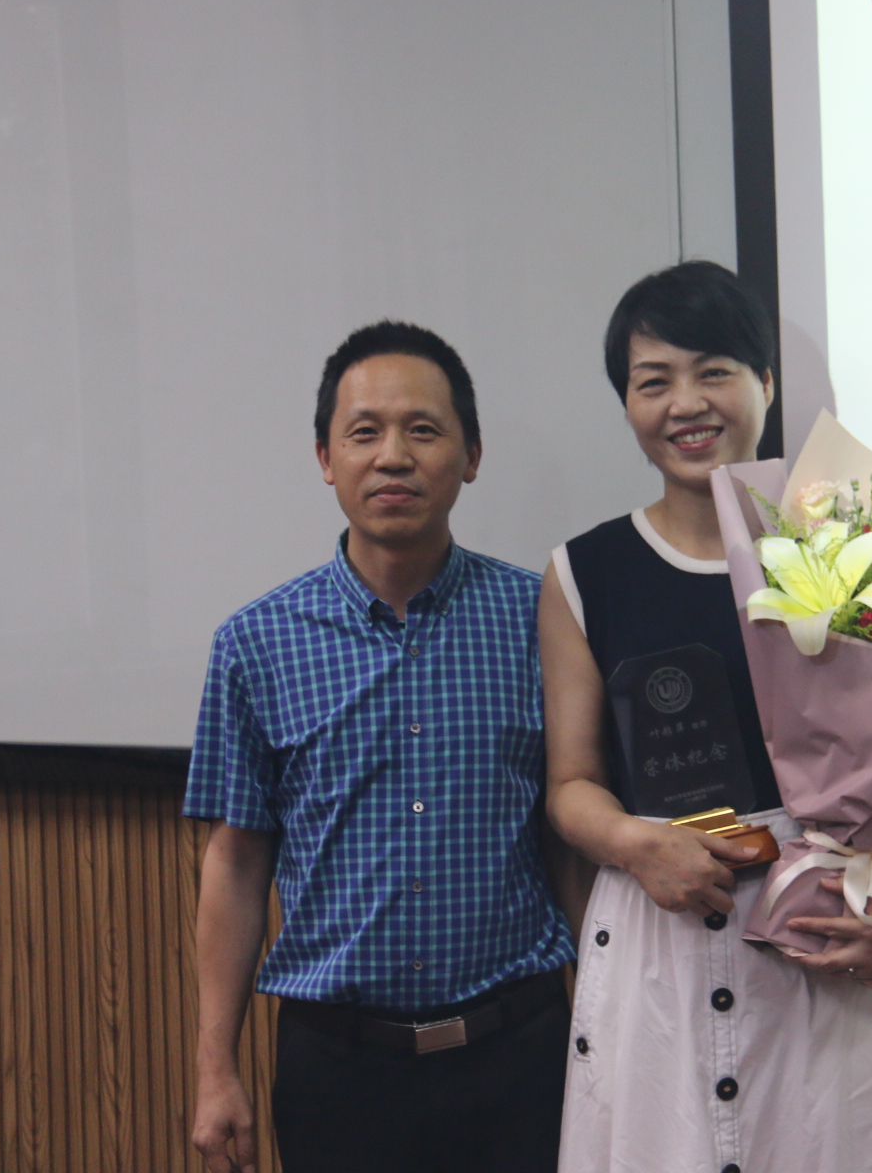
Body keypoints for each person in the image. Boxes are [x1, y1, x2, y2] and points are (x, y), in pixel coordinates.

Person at [542, 261, 872, 1173]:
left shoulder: (850, 550)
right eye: (654, 381)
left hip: (827, 934)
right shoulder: (585, 572)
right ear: (626, 404)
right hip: (662, 940)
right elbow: (570, 784)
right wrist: (635, 843)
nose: (687, 404)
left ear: (766, 383)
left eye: (715, 371)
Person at [186, 321, 575, 1173]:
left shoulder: (541, 619)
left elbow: (571, 835)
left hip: (520, 1055)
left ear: (472, 455)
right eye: (364, 432)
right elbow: (237, 861)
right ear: (326, 458)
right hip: (339, 1072)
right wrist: (216, 1070)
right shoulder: (257, 643)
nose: (393, 457)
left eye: (423, 430)